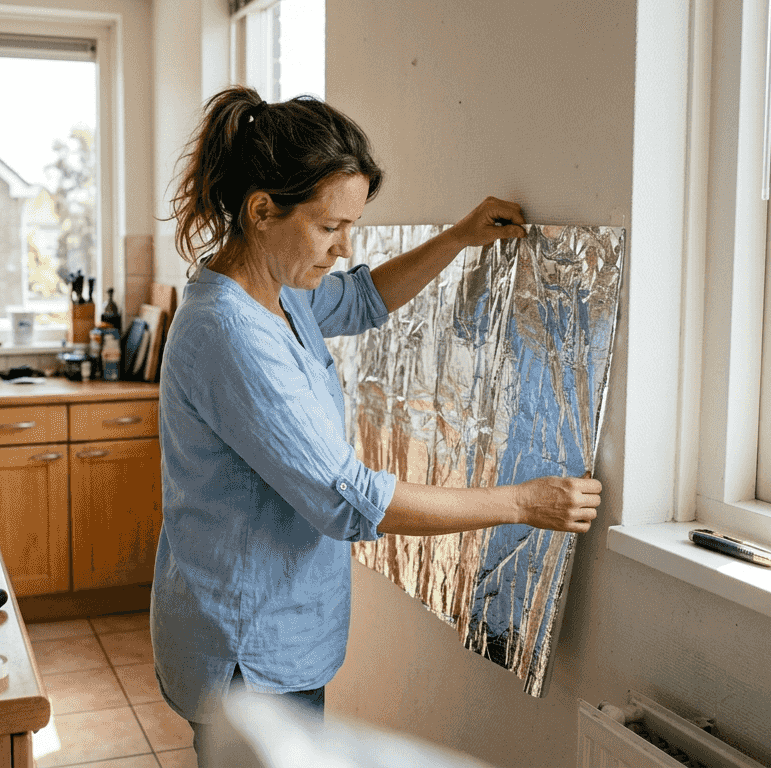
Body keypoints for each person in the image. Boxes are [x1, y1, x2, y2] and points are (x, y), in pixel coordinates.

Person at [152, 86, 602, 763]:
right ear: (262, 210)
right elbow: (347, 499)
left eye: (352, 228)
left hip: (272, 632)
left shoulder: (279, 293)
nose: (343, 247)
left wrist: (457, 238)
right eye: (330, 227)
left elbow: (362, 298)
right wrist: (524, 502)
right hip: (248, 649)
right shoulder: (229, 333)